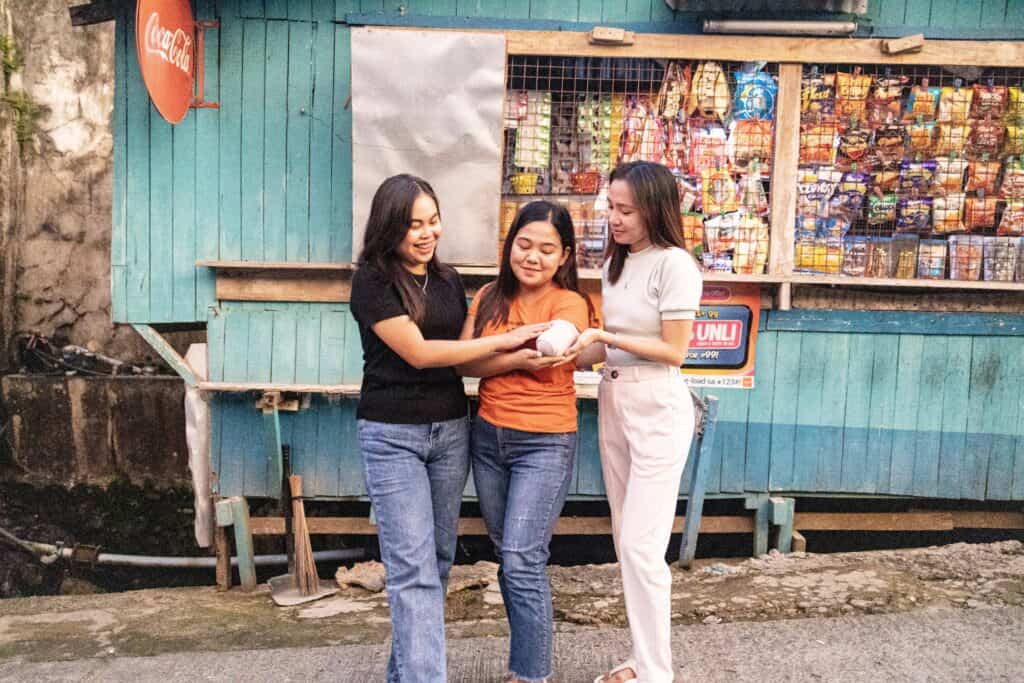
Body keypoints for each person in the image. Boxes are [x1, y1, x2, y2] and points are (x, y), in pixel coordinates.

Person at [350, 174, 549, 683]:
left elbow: (461, 358)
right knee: (412, 570)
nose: (426, 233)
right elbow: (420, 353)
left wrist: (517, 354)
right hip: (392, 434)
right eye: (412, 224)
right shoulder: (372, 280)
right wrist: (507, 341)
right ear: (388, 227)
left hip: (449, 430)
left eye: (433, 221)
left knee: (435, 563)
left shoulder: (446, 279)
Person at [566, 162, 703, 683]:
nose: (614, 218)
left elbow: (673, 350)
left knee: (644, 548)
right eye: (611, 207)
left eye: (625, 210)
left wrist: (609, 340)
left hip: (659, 410)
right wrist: (560, 348)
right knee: (627, 542)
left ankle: (655, 672)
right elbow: (602, 345)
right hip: (614, 401)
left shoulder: (675, 265)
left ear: (655, 209)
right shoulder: (616, 264)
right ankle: (642, 659)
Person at [456, 200, 598, 683]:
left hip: (545, 442)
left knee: (520, 556)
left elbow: (555, 344)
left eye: (546, 249)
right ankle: (526, 664)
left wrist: (502, 350)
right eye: (523, 245)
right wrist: (514, 357)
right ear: (509, 245)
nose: (532, 257)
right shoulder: (489, 297)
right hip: (488, 437)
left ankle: (531, 674)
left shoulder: (570, 302)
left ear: (564, 256)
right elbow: (463, 362)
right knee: (510, 555)